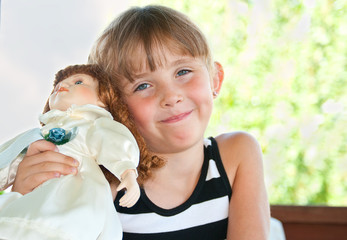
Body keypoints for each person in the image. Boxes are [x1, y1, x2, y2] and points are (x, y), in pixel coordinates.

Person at [9, 5, 270, 240]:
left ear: (215, 79)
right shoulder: (103, 180)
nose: (171, 97)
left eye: (183, 72)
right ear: (115, 106)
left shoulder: (236, 155)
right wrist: (25, 198)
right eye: (143, 85)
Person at [0, 64, 162, 240]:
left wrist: (127, 171)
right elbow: (8, 157)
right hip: (28, 205)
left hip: (74, 196)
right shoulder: (35, 136)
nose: (63, 85)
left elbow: (111, 140)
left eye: (78, 82)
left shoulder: (91, 126)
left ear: (102, 99)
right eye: (57, 86)